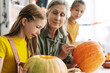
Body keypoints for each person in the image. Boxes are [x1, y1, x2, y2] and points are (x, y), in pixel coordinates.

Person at [0, 4, 46, 73]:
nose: (39, 33)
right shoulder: (2, 42)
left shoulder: (30, 46)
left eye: (40, 29)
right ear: (24, 21)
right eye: (37, 27)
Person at [37, 0, 76, 68]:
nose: (57, 18)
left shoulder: (63, 37)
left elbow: (68, 65)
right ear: (47, 14)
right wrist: (60, 56)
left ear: (65, 19)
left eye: (62, 15)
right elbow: (37, 66)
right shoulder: (37, 34)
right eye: (55, 13)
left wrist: (77, 56)